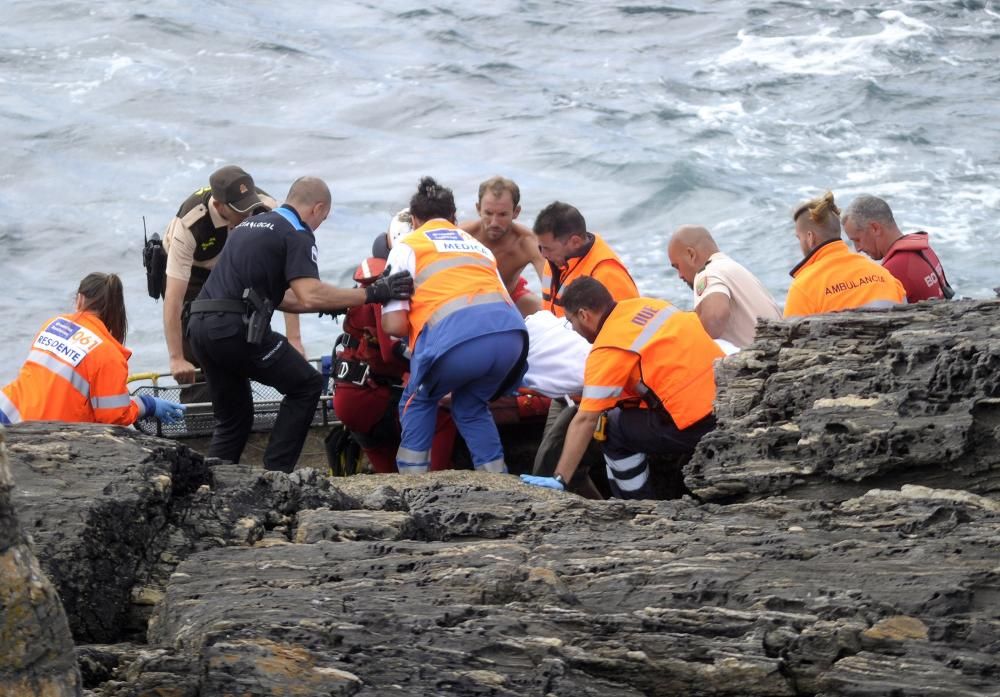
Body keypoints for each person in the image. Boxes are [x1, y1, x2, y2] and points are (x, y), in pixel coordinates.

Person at [186, 176, 413, 472]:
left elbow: (284, 299)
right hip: (232, 329)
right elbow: (309, 294)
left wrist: (341, 302)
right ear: (318, 208)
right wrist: (374, 293)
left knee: (233, 420)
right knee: (305, 385)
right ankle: (276, 476)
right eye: (324, 218)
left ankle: (210, 485)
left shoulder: (247, 227)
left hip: (199, 327)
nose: (319, 225)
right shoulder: (296, 232)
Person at [520, 277, 722, 499]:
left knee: (610, 429)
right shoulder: (653, 305)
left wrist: (560, 478)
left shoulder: (608, 347)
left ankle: (636, 504)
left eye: (571, 321)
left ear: (584, 315)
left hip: (700, 423)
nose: (574, 329)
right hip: (728, 400)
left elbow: (586, 419)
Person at [382, 176, 528, 474]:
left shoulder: (407, 246)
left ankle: (412, 487)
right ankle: (499, 484)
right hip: (512, 341)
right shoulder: (480, 248)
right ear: (454, 218)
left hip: (459, 345)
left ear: (414, 220)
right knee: (471, 407)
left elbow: (395, 325)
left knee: (418, 398)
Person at [162, 165, 304, 396]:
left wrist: (294, 339)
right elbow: (173, 298)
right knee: (200, 346)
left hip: (233, 265)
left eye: (250, 207)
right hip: (194, 275)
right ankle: (201, 414)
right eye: (240, 211)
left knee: (239, 334)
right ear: (219, 206)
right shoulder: (190, 224)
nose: (248, 216)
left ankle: (240, 401)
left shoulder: (266, 210)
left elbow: (286, 278)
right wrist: (176, 358)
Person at [331, 223, 457, 474]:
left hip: (354, 396)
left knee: (387, 481)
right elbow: (394, 350)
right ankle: (438, 484)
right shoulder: (390, 282)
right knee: (445, 415)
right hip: (371, 398)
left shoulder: (372, 283)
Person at [1, 273, 185, 427]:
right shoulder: (108, 355)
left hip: (6, 412)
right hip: (38, 432)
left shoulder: (54, 324)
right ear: (116, 308)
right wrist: (147, 404)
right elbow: (114, 416)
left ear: (80, 299)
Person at [785, 191, 906, 318]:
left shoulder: (803, 288)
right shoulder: (884, 275)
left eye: (799, 238)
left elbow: (790, 335)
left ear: (810, 237)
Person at [667, 225, 781, 348]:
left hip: (762, 360)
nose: (679, 275)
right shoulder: (732, 268)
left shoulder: (707, 272)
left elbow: (715, 318)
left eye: (677, 266)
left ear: (691, 254)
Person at [458, 176, 546, 316]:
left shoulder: (527, 243)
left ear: (516, 212)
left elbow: (551, 289)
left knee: (549, 315)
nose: (494, 222)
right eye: (488, 213)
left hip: (508, 297)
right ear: (478, 209)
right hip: (464, 300)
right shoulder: (460, 236)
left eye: (502, 215)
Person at [533, 201, 639, 317]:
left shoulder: (606, 275)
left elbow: (625, 325)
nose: (543, 254)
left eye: (548, 249)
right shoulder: (555, 260)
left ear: (575, 242)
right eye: (540, 247)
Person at [841, 194, 953, 303]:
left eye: (857, 240)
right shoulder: (924, 249)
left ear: (875, 228)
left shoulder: (894, 269)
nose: (858, 249)